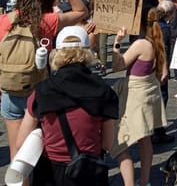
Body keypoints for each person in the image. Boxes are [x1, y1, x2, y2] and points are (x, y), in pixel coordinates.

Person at [0, 0, 88, 166]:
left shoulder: (2, 20)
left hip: (10, 90)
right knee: (39, 152)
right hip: (38, 92)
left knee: (16, 153)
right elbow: (81, 11)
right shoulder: (47, 21)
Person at [16, 26, 118, 186]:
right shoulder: (104, 91)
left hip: (49, 171)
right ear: (87, 52)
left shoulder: (41, 91)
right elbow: (107, 143)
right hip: (88, 169)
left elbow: (20, 142)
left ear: (57, 53)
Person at [111, 8, 168, 186]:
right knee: (145, 140)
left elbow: (117, 66)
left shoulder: (141, 44)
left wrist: (117, 43)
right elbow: (164, 75)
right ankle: (144, 181)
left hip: (135, 96)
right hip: (149, 93)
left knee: (119, 139)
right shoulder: (159, 43)